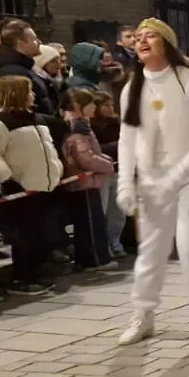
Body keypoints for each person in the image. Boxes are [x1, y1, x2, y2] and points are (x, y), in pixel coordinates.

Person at [115, 18, 189, 351]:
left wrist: (176, 177)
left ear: (167, 43)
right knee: (151, 251)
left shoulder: (187, 79)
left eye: (151, 36)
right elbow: (126, 139)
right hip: (155, 178)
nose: (142, 41)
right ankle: (144, 316)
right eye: (138, 38)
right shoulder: (131, 86)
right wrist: (125, 182)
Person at [0, 75, 64, 293]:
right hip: (20, 188)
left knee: (39, 234)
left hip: (42, 185)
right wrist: (7, 180)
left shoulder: (35, 118)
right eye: (29, 91)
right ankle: (22, 277)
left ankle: (34, 273)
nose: (33, 95)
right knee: (23, 236)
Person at [60, 88, 116, 271]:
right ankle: (94, 260)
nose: (94, 107)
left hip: (87, 181)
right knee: (90, 224)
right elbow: (84, 157)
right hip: (83, 182)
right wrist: (108, 165)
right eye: (90, 104)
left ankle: (93, 258)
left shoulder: (81, 124)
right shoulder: (77, 127)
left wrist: (104, 160)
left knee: (91, 221)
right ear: (78, 107)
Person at [91, 90, 128, 258]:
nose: (110, 108)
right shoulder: (92, 126)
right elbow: (97, 150)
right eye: (106, 105)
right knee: (103, 209)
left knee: (118, 210)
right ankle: (103, 244)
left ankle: (116, 241)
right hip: (103, 173)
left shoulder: (117, 122)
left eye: (111, 104)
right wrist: (117, 145)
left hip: (119, 170)